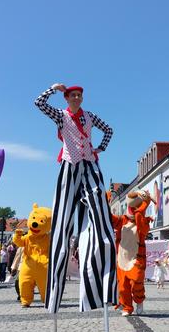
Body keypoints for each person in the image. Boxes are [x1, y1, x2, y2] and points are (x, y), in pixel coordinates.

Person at [35, 82, 116, 313]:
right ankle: (54, 297)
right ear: (67, 97)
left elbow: (109, 129)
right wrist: (53, 88)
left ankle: (102, 286)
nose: (77, 98)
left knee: (100, 209)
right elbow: (39, 103)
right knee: (62, 223)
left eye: (80, 95)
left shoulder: (90, 116)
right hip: (69, 167)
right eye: (73, 95)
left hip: (90, 165)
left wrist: (100, 148)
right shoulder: (61, 116)